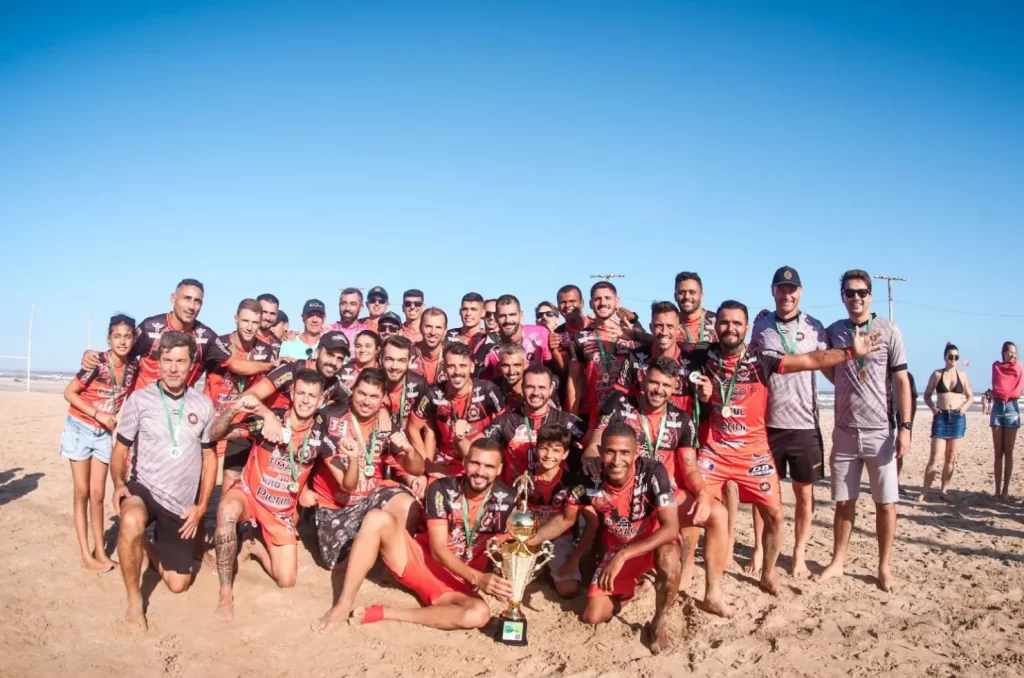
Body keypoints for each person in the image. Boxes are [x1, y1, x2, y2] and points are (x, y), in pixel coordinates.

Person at [688, 300, 881, 595]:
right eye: (724, 322)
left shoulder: (761, 358)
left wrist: (852, 352)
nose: (730, 328)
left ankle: (767, 574)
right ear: (716, 326)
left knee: (775, 516)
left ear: (747, 327)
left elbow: (808, 361)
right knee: (694, 509)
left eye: (737, 323)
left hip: (754, 451)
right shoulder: (705, 353)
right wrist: (637, 332)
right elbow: (666, 346)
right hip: (716, 451)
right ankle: (698, 579)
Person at [310, 439, 514, 633]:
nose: (480, 472)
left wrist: (506, 587)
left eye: (488, 466)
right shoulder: (443, 489)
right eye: (475, 463)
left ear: (500, 470)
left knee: (479, 614)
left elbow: (505, 551)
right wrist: (479, 578)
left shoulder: (508, 500)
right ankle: (343, 604)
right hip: (421, 562)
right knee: (376, 518)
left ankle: (388, 613)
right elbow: (438, 550)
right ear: (464, 462)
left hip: (459, 584)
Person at [585, 356, 732, 611]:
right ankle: (592, 570)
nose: (658, 390)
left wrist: (702, 495)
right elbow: (595, 441)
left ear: (675, 387)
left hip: (665, 496)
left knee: (718, 513)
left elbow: (689, 465)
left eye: (666, 385)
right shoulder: (619, 407)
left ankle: (713, 593)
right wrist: (590, 457)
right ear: (643, 380)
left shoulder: (682, 419)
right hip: (625, 493)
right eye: (654, 382)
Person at [531, 422, 683, 654]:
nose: (616, 459)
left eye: (624, 452)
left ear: (637, 452)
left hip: (651, 544)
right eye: (610, 451)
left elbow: (671, 528)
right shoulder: (587, 480)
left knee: (669, 558)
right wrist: (528, 541)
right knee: (592, 616)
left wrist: (624, 555)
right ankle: (635, 590)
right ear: (601, 451)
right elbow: (565, 520)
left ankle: (659, 622)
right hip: (616, 548)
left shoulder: (653, 471)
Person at [109, 331, 217, 632]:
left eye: (180, 361)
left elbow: (210, 458)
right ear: (158, 362)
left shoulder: (203, 405)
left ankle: (145, 544)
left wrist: (201, 506)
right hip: (143, 489)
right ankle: (134, 600)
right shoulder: (139, 401)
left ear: (191, 364)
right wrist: (119, 483)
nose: (173, 368)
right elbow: (120, 450)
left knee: (178, 584)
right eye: (167, 360)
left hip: (180, 503)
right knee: (131, 519)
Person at [818, 270, 912, 592]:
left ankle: (884, 567)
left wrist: (906, 428)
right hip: (844, 431)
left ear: (870, 295)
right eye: (849, 292)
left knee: (885, 504)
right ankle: (838, 561)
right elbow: (826, 367)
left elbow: (901, 381)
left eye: (861, 292)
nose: (855, 298)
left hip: (880, 432)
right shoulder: (834, 332)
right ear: (842, 296)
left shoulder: (889, 330)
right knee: (845, 502)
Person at [208, 371, 328, 620]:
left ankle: (255, 545)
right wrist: (234, 409)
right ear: (292, 393)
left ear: (321, 399)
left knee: (287, 580)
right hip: (250, 496)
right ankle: (225, 592)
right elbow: (216, 434)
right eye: (301, 393)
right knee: (227, 510)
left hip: (281, 511)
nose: (306, 400)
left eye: (312, 396)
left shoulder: (322, 433)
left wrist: (306, 490)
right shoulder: (269, 422)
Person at [746, 266, 829, 577]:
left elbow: (829, 363)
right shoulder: (762, 327)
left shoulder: (815, 327)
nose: (787, 294)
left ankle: (798, 554)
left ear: (800, 292)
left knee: (804, 494)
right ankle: (758, 547)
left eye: (792, 289)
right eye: (781, 289)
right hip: (768, 424)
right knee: (764, 493)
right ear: (773, 292)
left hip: (805, 424)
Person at [309, 369, 424, 576]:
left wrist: (409, 450)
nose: (366, 401)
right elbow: (347, 484)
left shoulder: (386, 423)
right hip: (337, 505)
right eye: (361, 393)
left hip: (370, 497)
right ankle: (375, 547)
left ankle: (397, 567)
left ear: (383, 400)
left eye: (373, 397)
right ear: (352, 392)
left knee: (408, 504)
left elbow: (416, 469)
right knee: (336, 565)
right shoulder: (330, 417)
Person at [61, 314, 138, 573]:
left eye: (128, 336)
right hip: (80, 427)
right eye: (117, 336)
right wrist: (98, 414)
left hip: (103, 435)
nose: (123, 341)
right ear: (109, 338)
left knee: (98, 495)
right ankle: (85, 554)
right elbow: (69, 393)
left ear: (134, 338)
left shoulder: (133, 368)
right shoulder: (96, 363)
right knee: (81, 492)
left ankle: (101, 553)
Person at [81, 278, 214, 390]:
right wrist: (95, 356)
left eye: (197, 301)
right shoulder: (149, 327)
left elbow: (228, 364)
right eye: (186, 298)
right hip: (143, 407)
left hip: (178, 410)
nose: (191, 306)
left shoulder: (207, 338)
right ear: (173, 299)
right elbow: (121, 354)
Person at [408, 342, 505, 483]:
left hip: (482, 461)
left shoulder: (488, 391)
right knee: (431, 492)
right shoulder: (433, 394)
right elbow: (412, 428)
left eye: (463, 366)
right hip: (447, 462)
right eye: (451, 366)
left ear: (472, 367)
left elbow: (503, 428)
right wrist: (427, 464)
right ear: (444, 368)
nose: (457, 372)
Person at [202, 299, 277, 469]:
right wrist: (271, 365)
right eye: (245, 321)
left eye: (254, 322)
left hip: (241, 427)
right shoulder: (220, 343)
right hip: (213, 420)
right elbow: (237, 366)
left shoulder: (265, 351)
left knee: (230, 482)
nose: (250, 327)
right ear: (235, 318)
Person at [484, 364, 583, 484]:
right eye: (530, 387)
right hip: (516, 495)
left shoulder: (565, 421)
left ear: (551, 390)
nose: (536, 392)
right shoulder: (505, 421)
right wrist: (461, 438)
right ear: (522, 388)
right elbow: (474, 448)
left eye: (542, 387)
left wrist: (591, 453)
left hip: (556, 495)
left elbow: (594, 439)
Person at [567, 281, 641, 429]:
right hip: (596, 418)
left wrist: (634, 326)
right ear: (590, 303)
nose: (603, 303)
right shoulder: (580, 338)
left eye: (608, 298)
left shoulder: (632, 333)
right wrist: (572, 421)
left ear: (617, 301)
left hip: (631, 419)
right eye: (597, 299)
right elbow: (573, 380)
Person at [240, 331, 350, 430]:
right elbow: (248, 395)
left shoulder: (334, 383)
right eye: (330, 355)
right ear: (317, 352)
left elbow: (356, 402)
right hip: (260, 432)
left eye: (340, 359)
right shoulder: (291, 370)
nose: (334, 362)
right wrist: (268, 415)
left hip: (299, 441)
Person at [615, 301, 697, 415]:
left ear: (678, 330)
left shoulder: (692, 362)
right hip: (640, 429)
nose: (664, 332)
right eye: (659, 326)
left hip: (679, 431)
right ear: (651, 327)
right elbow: (617, 396)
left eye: (670, 326)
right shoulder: (634, 358)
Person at [919, 343, 973, 501]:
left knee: (951, 457)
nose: (953, 359)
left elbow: (970, 396)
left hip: (957, 418)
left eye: (956, 357)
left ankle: (944, 491)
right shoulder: (937, 374)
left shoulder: (962, 375)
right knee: (935, 458)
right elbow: (927, 395)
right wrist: (933, 408)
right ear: (945, 357)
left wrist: (964, 408)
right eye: (950, 356)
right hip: (941, 418)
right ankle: (925, 491)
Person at [480, 294, 557, 380]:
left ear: (521, 315)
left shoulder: (540, 333)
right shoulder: (487, 344)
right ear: (496, 317)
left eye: (512, 315)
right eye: (502, 316)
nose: (508, 320)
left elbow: (556, 370)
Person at [990, 341, 1022, 499]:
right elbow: (997, 387)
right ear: (1003, 353)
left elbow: (1017, 390)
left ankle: (1005, 490)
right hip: (997, 408)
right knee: (998, 452)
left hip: (1011, 408)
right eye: (1010, 352)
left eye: (1015, 353)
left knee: (1008, 452)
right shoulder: (996, 366)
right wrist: (999, 394)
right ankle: (996, 490)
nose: (1013, 356)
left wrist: (1002, 395)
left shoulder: (1019, 367)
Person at [380, 335, 429, 435]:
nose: (394, 366)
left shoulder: (419, 384)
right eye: (389, 359)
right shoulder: (370, 382)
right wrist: (380, 408)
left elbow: (428, 427)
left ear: (410, 361)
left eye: (401, 360)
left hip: (408, 442)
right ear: (381, 359)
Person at [493, 344, 560, 412]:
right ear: (499, 366)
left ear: (526, 365)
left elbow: (557, 417)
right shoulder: (492, 389)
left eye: (517, 365)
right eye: (506, 366)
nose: (511, 372)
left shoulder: (540, 390)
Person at [446, 292, 499, 370]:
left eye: (473, 309)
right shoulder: (448, 336)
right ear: (460, 312)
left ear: (483, 313)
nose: (468, 313)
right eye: (465, 309)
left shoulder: (491, 340)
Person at [674, 272, 717, 344]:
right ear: (675, 297)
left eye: (692, 292)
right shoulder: (670, 324)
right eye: (682, 292)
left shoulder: (718, 321)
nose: (687, 297)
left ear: (701, 296)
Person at [410, 307, 448, 385]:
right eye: (428, 326)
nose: (433, 332)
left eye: (438, 327)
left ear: (445, 332)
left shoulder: (450, 357)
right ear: (420, 328)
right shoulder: (409, 354)